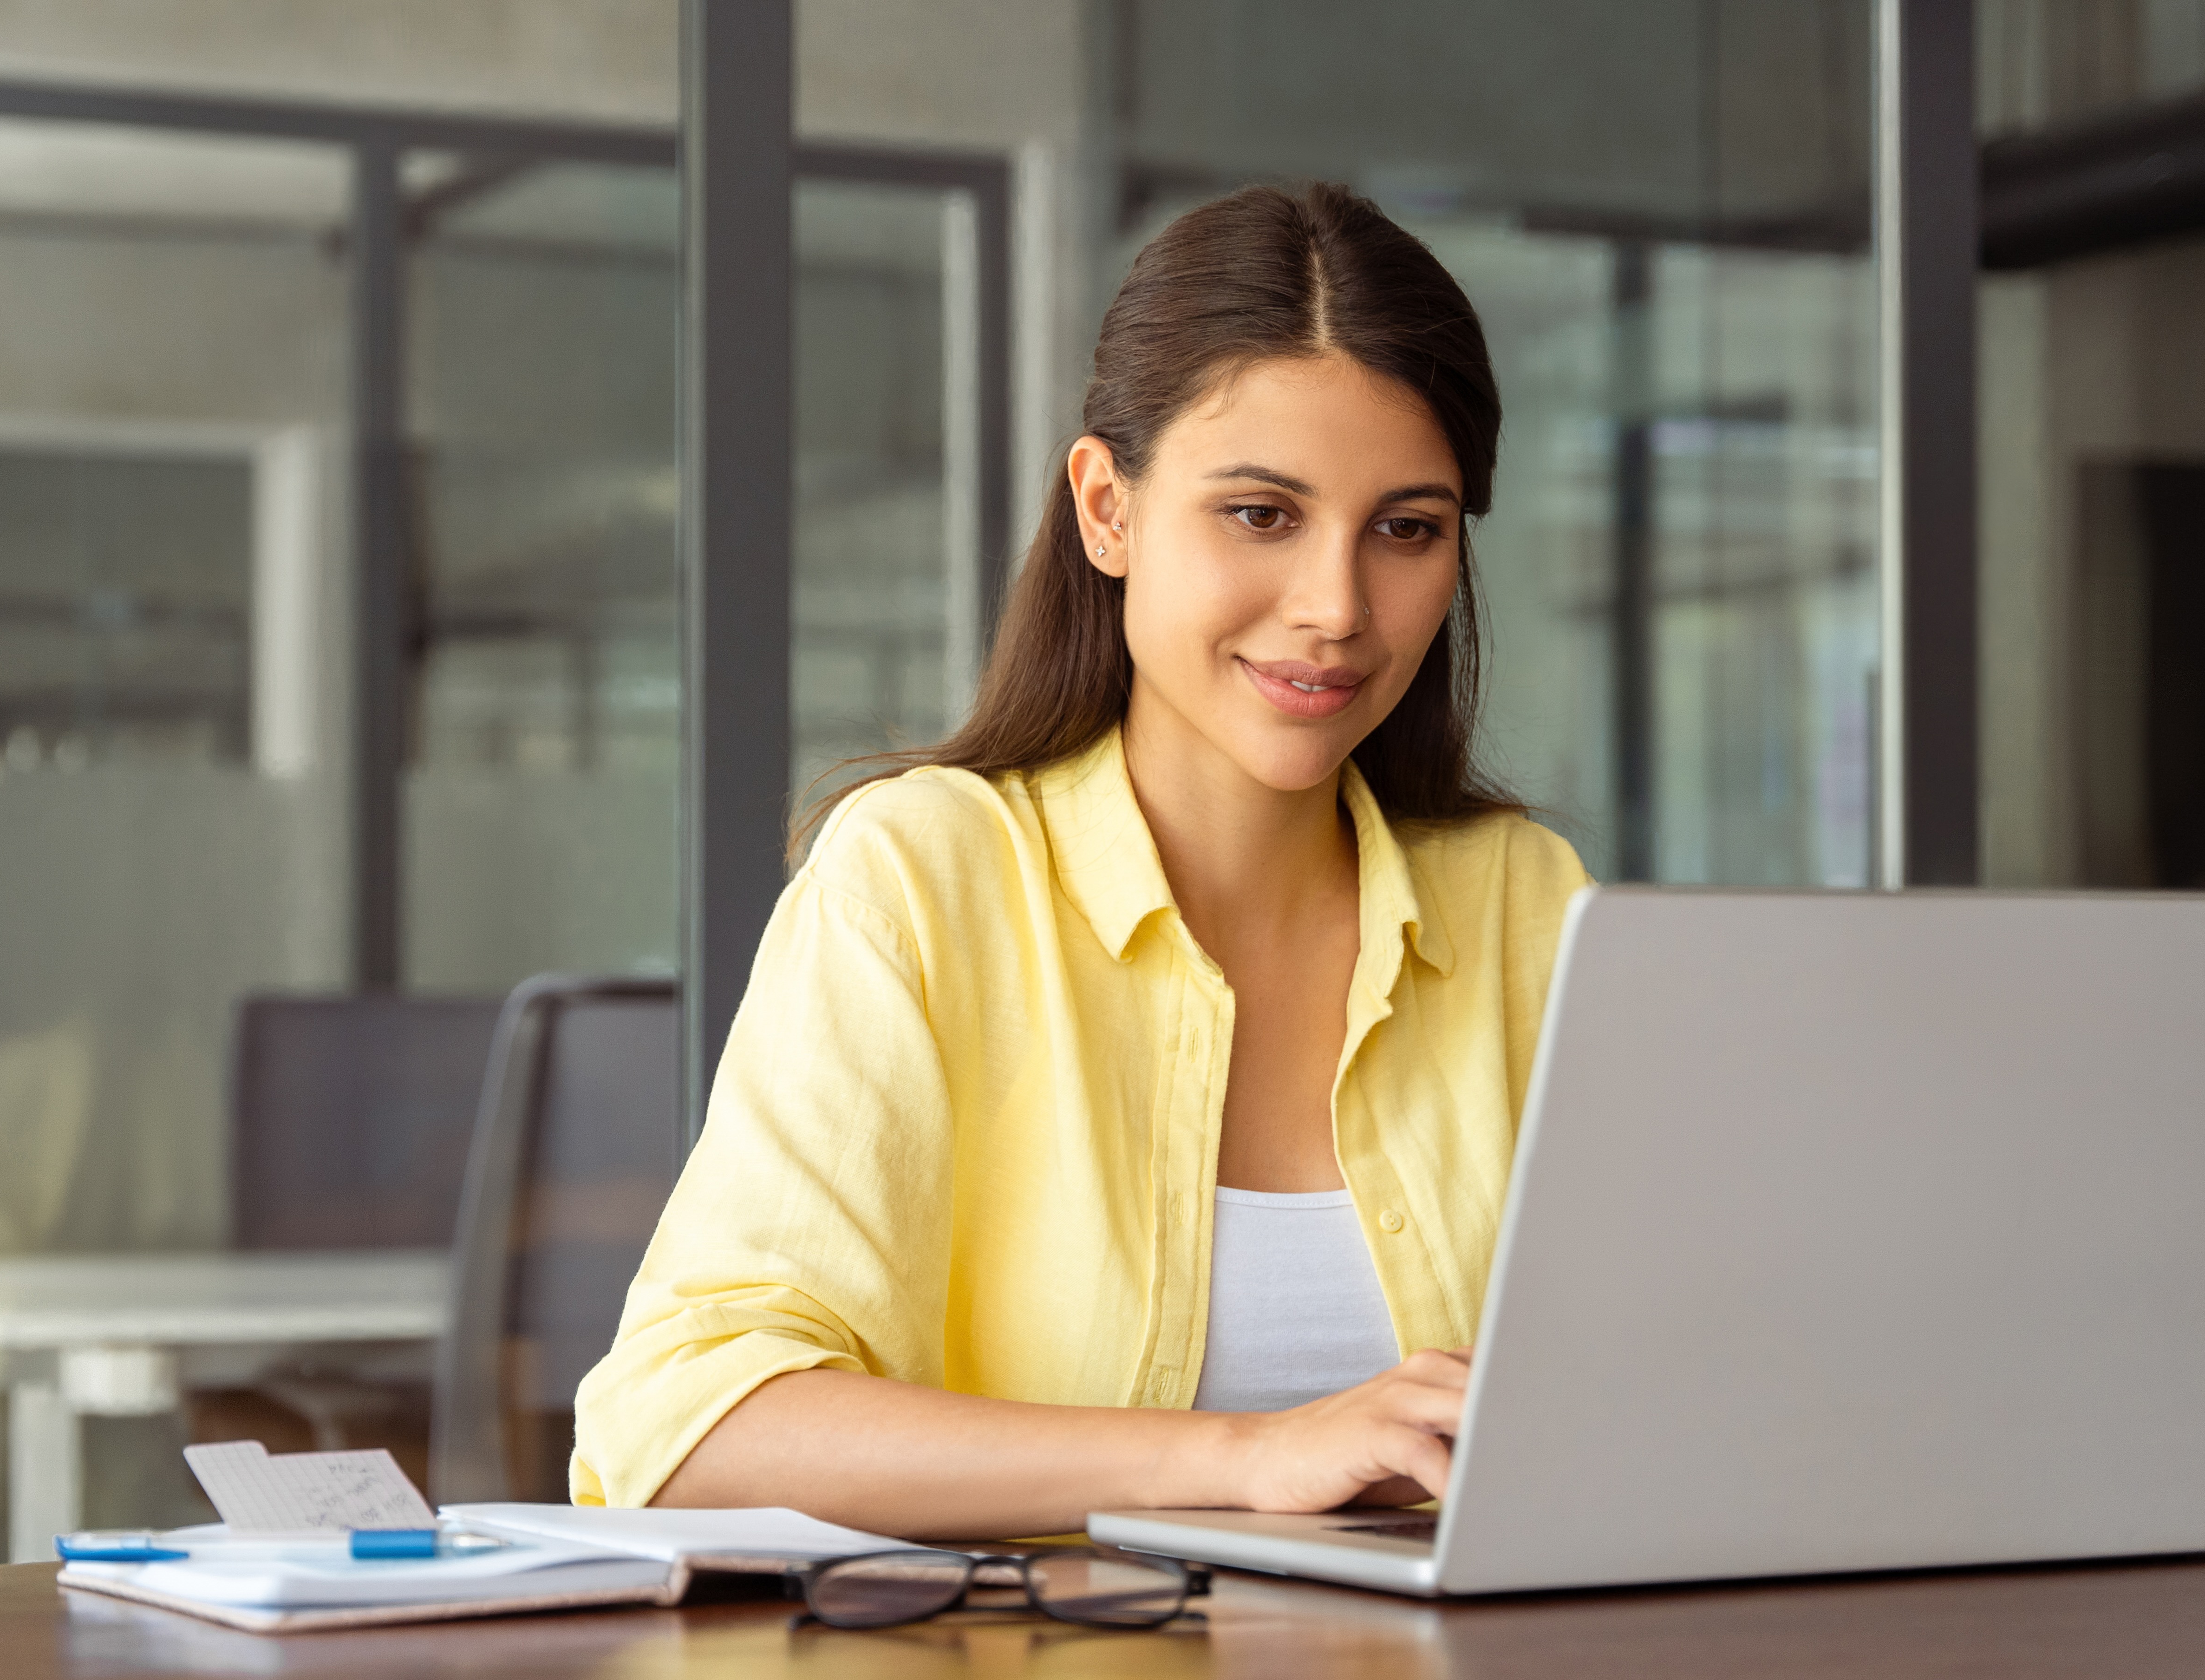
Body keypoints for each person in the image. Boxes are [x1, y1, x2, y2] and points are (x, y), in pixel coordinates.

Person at [573, 182, 1589, 1539]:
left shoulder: (1529, 902)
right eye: (1259, 514)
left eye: (1404, 528)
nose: (1337, 609)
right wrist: (1237, 1456)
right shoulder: (924, 880)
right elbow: (685, 1425)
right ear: (1106, 509)